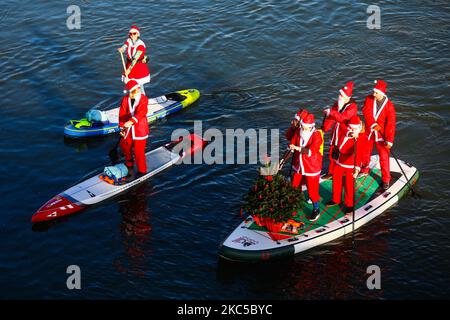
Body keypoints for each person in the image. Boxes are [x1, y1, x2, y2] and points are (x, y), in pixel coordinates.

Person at [326, 115, 368, 214]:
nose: (352, 130)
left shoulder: (360, 138)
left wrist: (357, 169)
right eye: (351, 128)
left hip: (350, 164)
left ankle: (349, 205)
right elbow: (341, 125)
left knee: (349, 185)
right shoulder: (345, 130)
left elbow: (359, 155)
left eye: (354, 128)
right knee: (336, 180)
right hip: (339, 161)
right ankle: (336, 199)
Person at [362, 80, 396, 190]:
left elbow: (391, 124)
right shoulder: (369, 99)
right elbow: (365, 111)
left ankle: (386, 179)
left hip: (382, 135)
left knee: (384, 158)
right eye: (373, 92)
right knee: (365, 152)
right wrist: (373, 124)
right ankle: (364, 169)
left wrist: (389, 140)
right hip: (370, 131)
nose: (373, 94)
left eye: (376, 93)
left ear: (382, 93)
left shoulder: (389, 106)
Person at [289, 113, 323, 221]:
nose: (303, 128)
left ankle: (316, 209)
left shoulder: (317, 135)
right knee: (294, 186)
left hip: (312, 166)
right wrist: (283, 158)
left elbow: (312, 150)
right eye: (302, 126)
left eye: (305, 127)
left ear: (311, 126)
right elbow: (292, 143)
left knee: (312, 190)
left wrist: (298, 148)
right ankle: (294, 206)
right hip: (299, 165)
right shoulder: (299, 131)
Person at [322, 81, 358, 180]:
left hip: (345, 134)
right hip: (336, 133)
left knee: (342, 153)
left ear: (348, 97)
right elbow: (331, 118)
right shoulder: (337, 104)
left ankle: (345, 172)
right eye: (340, 94)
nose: (339, 96)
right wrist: (324, 129)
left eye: (342, 95)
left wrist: (331, 112)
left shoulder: (352, 107)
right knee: (332, 152)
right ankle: (331, 172)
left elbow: (342, 118)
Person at [119, 80, 149, 178]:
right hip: (128, 129)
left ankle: (142, 170)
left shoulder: (144, 99)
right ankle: (129, 163)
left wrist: (131, 121)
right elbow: (122, 114)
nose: (130, 94)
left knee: (138, 151)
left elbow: (142, 112)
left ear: (138, 89)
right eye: (129, 92)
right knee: (125, 145)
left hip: (140, 129)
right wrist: (122, 127)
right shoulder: (125, 99)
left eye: (132, 92)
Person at [118, 25, 150, 94]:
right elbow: (125, 46)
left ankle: (142, 99)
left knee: (139, 86)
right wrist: (122, 49)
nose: (132, 35)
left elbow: (135, 59)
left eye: (134, 33)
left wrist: (129, 70)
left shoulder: (140, 45)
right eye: (130, 34)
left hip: (138, 67)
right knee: (131, 85)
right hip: (129, 64)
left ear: (138, 34)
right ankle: (132, 98)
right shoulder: (129, 40)